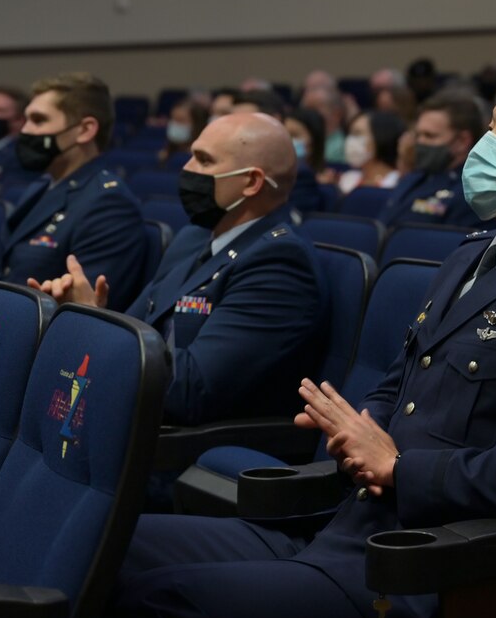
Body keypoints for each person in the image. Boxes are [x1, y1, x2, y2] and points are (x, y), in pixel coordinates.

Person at [110, 59, 496, 618]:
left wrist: (398, 467)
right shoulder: (470, 256)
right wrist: (350, 431)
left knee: (165, 602)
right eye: (491, 126)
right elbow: (397, 386)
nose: (487, 145)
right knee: (103, 543)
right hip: (331, 524)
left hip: (412, 564)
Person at [29, 112, 326, 427]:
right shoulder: (194, 237)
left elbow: (188, 392)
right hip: (130, 415)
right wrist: (86, 313)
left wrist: (94, 324)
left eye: (204, 161)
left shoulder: (280, 263)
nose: (186, 169)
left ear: (251, 182)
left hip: (186, 447)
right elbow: (137, 329)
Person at [0, 73, 146, 311]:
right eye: (25, 120)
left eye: (38, 120)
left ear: (85, 130)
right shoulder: (40, 187)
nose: (25, 130)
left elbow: (86, 307)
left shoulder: (108, 203)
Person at [378, 92, 482, 229]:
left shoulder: (472, 194)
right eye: (418, 135)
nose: (420, 142)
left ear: (462, 141)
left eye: (429, 136)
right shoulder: (415, 177)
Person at [337, 111, 405, 194]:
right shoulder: (348, 180)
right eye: (350, 134)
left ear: (380, 137)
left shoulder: (398, 183)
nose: (349, 140)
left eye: (357, 133)